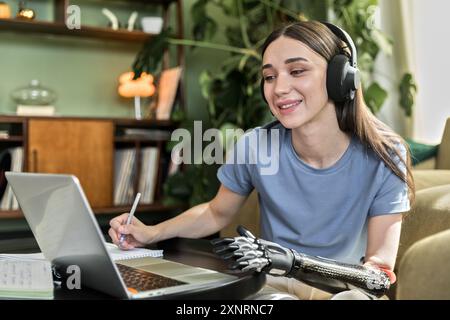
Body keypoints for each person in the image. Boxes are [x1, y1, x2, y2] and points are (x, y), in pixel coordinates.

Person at [109, 21, 414, 300]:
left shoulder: (384, 154)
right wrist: (152, 232)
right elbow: (216, 213)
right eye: (269, 77)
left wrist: (300, 264)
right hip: (273, 286)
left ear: (340, 78)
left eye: (297, 71)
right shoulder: (257, 145)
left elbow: (379, 270)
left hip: (344, 289)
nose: (279, 89)